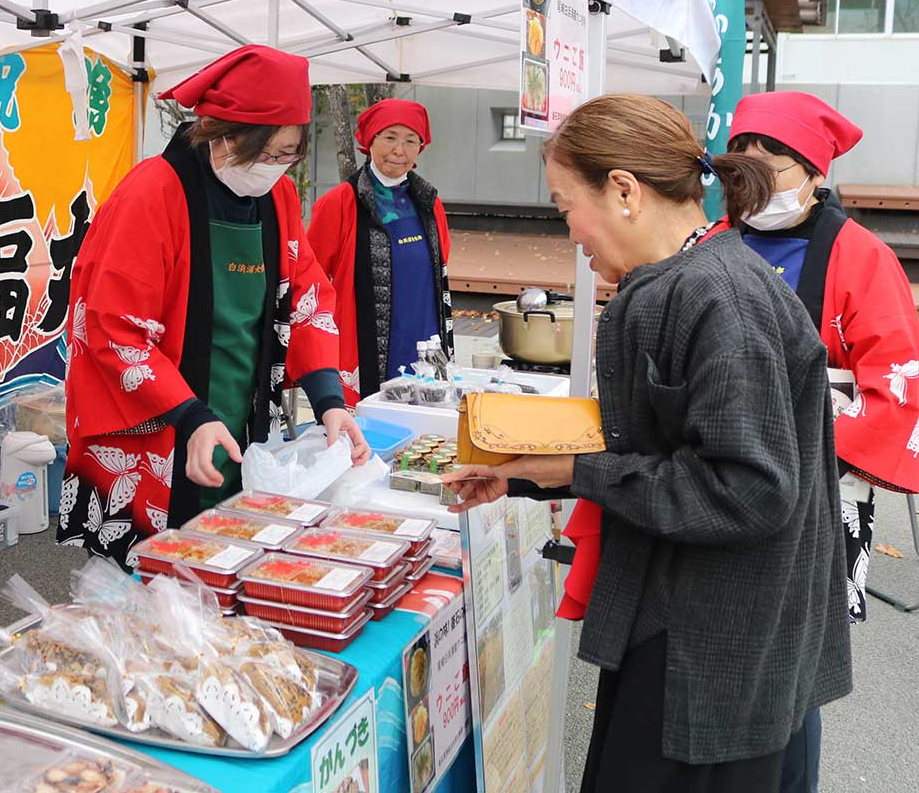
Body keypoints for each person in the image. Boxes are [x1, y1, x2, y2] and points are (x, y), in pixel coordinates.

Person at [445, 94, 852, 792]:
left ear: (625, 191)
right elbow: (668, 445)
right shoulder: (698, 279)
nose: (573, 232)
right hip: (705, 642)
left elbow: (749, 487)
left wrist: (580, 469)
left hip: (711, 660)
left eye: (566, 203)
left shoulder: (717, 294)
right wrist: (530, 474)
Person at [58, 45, 369, 568]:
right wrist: (190, 414)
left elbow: (309, 295)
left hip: (236, 421)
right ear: (223, 135)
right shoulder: (153, 192)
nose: (277, 168)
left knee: (223, 580)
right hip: (153, 434)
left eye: (289, 153)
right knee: (144, 597)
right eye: (267, 153)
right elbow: (112, 326)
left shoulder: (279, 198)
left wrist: (328, 398)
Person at [727, 90, 919, 793]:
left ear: (811, 168)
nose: (747, 169)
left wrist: (804, 431)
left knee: (795, 662)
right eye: (738, 155)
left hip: (822, 480)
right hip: (718, 475)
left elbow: (899, 381)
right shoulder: (715, 238)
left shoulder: (862, 256)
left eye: (767, 157)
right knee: (723, 638)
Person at [307, 99, 452, 405]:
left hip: (423, 337)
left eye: (411, 140)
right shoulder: (340, 203)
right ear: (369, 141)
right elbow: (311, 279)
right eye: (390, 138)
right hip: (361, 344)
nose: (399, 150)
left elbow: (442, 264)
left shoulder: (429, 202)